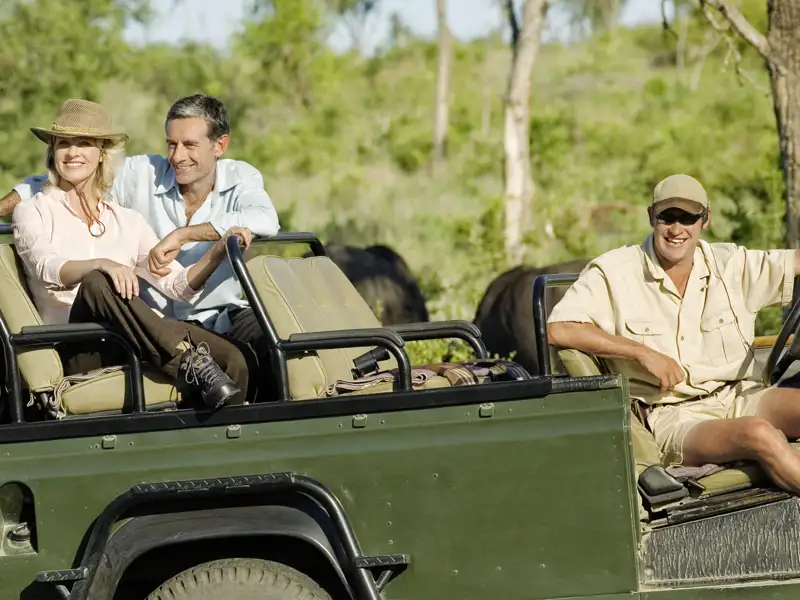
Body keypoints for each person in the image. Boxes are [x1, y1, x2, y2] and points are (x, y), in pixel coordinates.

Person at [546, 173, 800, 494]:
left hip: (738, 397)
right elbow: (559, 329)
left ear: (705, 220)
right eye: (667, 216)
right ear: (652, 217)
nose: (677, 229)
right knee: (760, 435)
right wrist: (641, 352)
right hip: (674, 418)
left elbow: (793, 262)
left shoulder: (730, 264)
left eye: (688, 217)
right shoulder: (614, 272)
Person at [12, 98, 252, 411]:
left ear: (100, 154)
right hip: (75, 343)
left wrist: (218, 251)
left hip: (131, 335)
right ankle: (186, 361)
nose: (72, 153)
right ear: (52, 151)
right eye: (63, 144)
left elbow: (178, 285)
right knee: (98, 281)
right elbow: (49, 268)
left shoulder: (127, 220)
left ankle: (221, 447)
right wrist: (103, 264)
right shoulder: (32, 211)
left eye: (83, 143)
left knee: (234, 359)